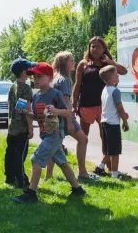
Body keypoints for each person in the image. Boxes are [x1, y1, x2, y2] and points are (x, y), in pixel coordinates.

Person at [13, 62, 86, 204]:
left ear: (50, 78)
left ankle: (31, 193)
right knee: (63, 163)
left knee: (36, 159)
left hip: (55, 134)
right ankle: (78, 189)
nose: (36, 79)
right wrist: (26, 113)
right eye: (35, 77)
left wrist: (57, 111)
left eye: (40, 76)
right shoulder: (36, 97)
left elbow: (66, 112)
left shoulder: (55, 94)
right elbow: (37, 117)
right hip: (45, 135)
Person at [72, 36, 127, 177]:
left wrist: (109, 61)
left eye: (98, 47)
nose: (95, 49)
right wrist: (74, 105)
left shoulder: (106, 65)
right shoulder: (83, 64)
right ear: (89, 48)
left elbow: (123, 71)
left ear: (104, 49)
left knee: (106, 138)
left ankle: (109, 170)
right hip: (86, 105)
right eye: (92, 46)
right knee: (83, 138)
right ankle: (82, 170)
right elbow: (77, 86)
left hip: (104, 107)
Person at [47, 51, 93, 183]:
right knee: (83, 139)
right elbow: (65, 102)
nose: (74, 62)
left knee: (55, 145)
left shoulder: (55, 78)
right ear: (64, 63)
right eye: (71, 60)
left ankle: (48, 176)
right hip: (64, 117)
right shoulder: (64, 80)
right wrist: (70, 121)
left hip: (55, 117)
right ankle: (83, 172)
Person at [5, 58, 36, 188]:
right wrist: (30, 128)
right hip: (21, 127)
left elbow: (16, 106)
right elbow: (26, 109)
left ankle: (9, 177)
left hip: (12, 126)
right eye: (29, 69)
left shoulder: (13, 86)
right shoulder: (26, 88)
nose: (31, 71)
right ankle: (21, 180)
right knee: (20, 155)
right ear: (24, 72)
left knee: (10, 152)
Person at [99, 65, 129, 179]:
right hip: (112, 124)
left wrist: (123, 115)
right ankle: (115, 174)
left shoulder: (104, 90)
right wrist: (125, 121)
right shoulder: (115, 91)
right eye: (117, 74)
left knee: (108, 149)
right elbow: (119, 108)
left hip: (104, 122)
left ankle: (100, 168)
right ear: (112, 78)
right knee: (115, 151)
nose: (118, 76)